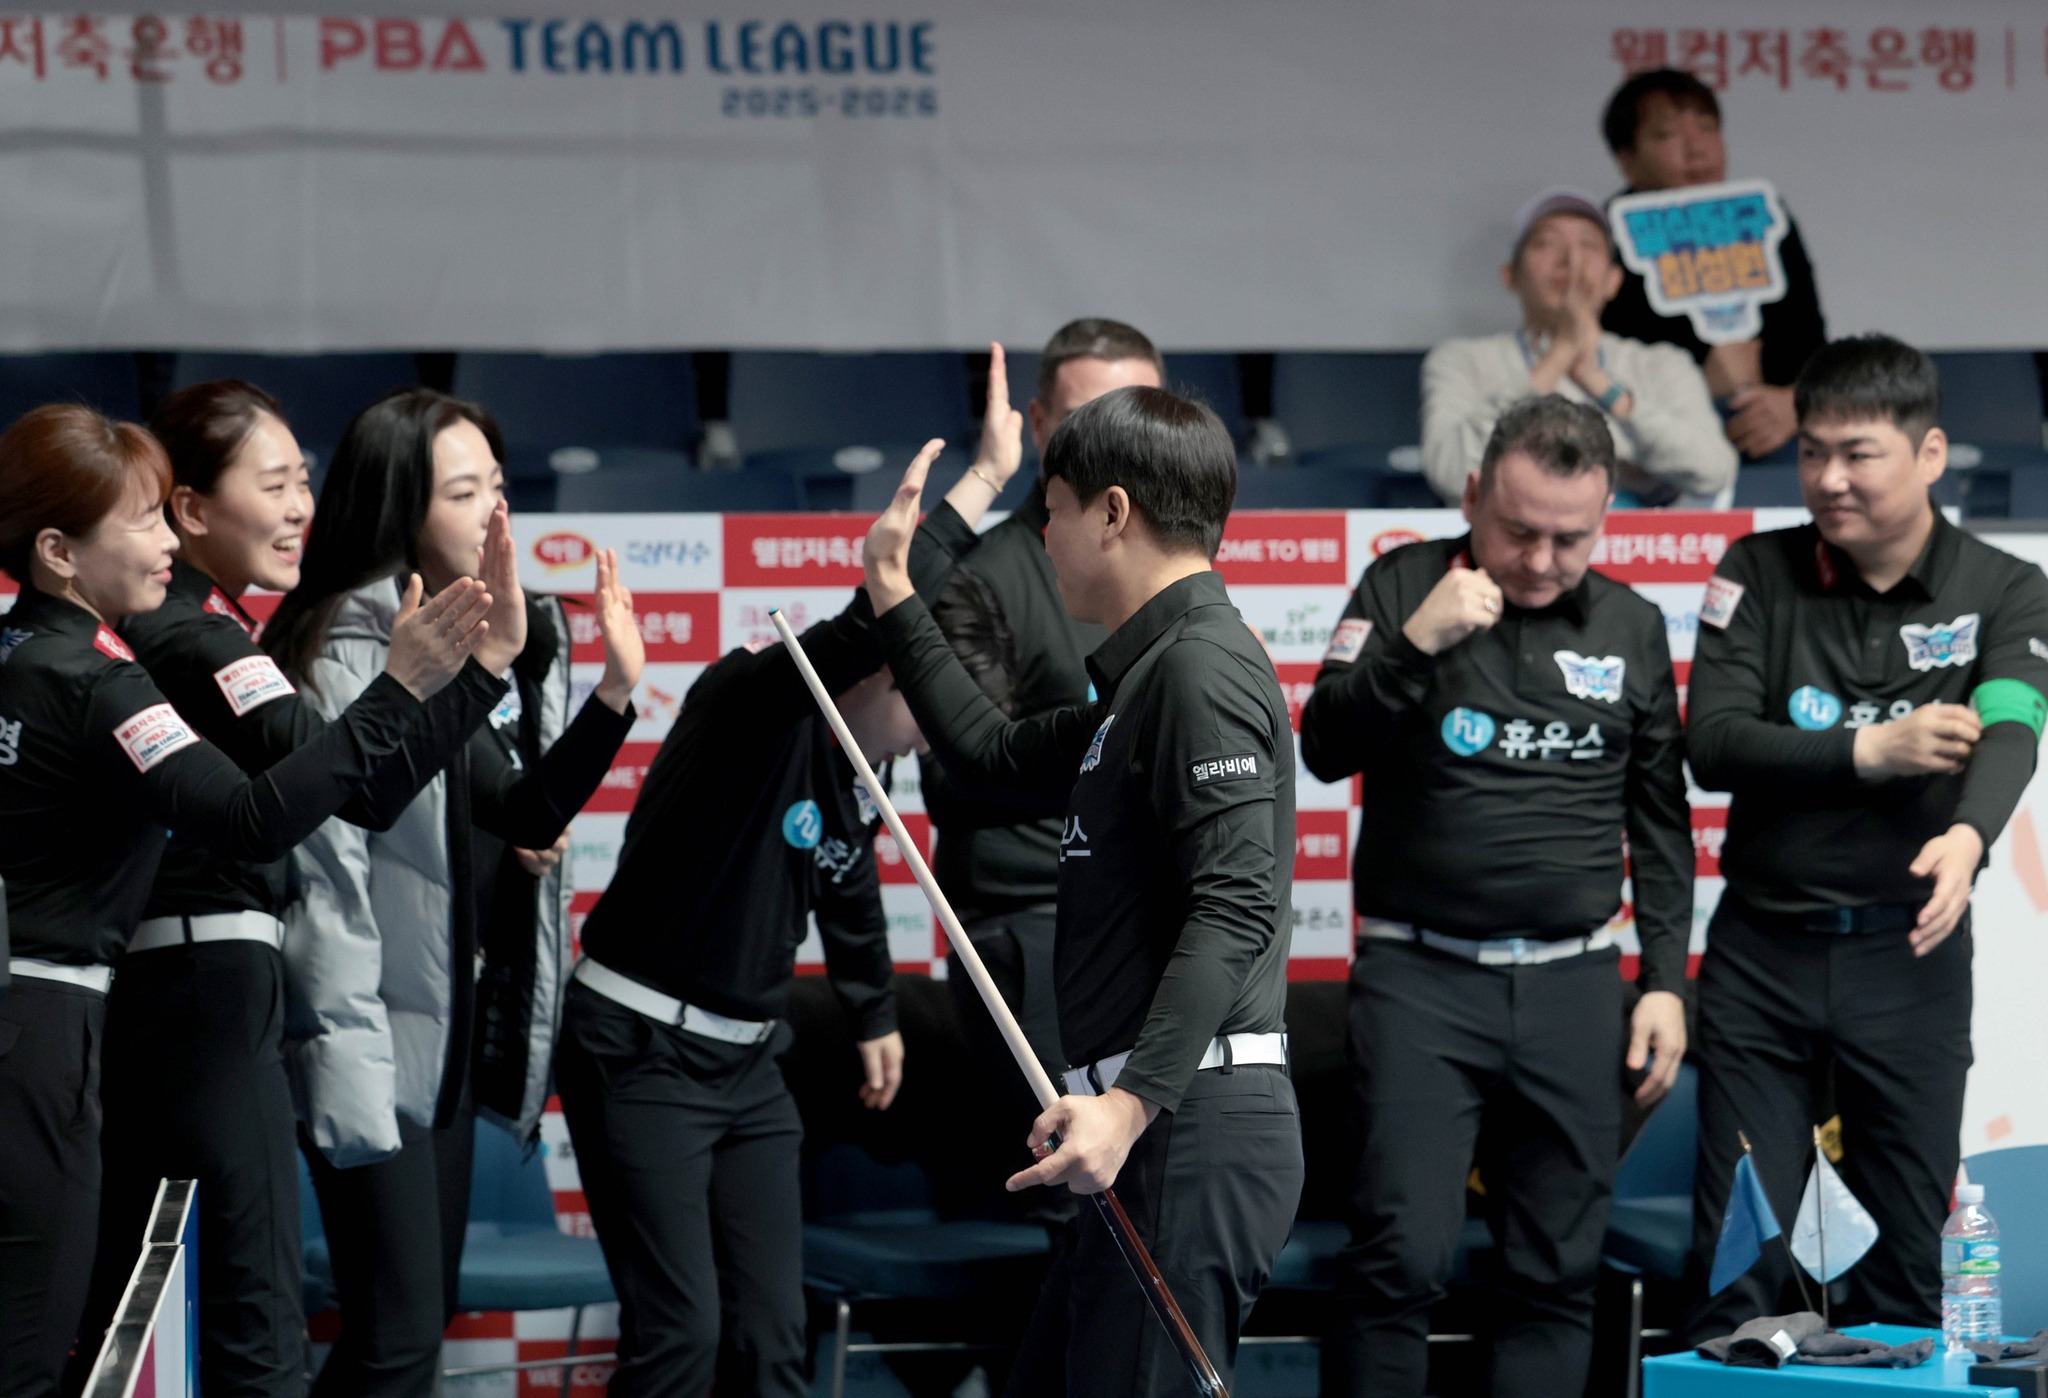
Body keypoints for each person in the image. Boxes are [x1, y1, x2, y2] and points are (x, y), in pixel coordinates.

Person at [0, 404, 490, 1398]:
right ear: (56, 551)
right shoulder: (98, 678)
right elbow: (256, 817)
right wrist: (399, 688)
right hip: (68, 1024)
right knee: (79, 1351)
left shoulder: (33, 656)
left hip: (62, 1017)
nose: (165, 540)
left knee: (77, 1338)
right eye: (143, 518)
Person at [866, 386, 1302, 1397]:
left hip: (1180, 1126)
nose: (1043, 535)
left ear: (1112, 512)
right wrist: (891, 586)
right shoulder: (1147, 678)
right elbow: (986, 757)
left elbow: (1235, 906)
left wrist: (1132, 1103)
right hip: (1145, 1129)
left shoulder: (1198, 670)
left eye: (1051, 509)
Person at [556, 438, 1015, 1397]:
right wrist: (980, 485)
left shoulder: (863, 765)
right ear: (882, 669)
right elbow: (860, 622)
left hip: (748, 1065)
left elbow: (845, 882)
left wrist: (874, 1011)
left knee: (773, 1339)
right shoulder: (752, 702)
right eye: (931, 708)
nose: (937, 738)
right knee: (680, 1339)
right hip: (640, 1050)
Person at [1302, 395, 1693, 1398]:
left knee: (1556, 1274)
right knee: (1399, 1259)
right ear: (1473, 494)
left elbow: (1658, 822)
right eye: (1518, 531)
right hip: (1419, 980)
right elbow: (1324, 745)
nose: (1541, 560)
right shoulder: (1401, 585)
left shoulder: (1631, 625)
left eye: (1571, 538)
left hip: (1574, 986)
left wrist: (1662, 981)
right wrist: (1414, 643)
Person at [263, 388, 642, 1398]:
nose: (494, 515)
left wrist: (614, 694)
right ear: (400, 505)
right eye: (465, 492)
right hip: (368, 1033)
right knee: (393, 1338)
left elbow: (518, 808)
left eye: (499, 488)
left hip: (439, 1040)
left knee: (411, 1332)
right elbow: (359, 823)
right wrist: (492, 663)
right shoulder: (354, 643)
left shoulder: (452, 638)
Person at [1683, 334, 2048, 1338]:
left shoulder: (2004, 588)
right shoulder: (1754, 570)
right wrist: (1869, 749)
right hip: (1762, 957)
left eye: (1857, 454)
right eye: (1811, 452)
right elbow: (1711, 742)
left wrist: (1970, 836)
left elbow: (2014, 725)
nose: (1828, 478)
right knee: (1740, 1256)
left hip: (1909, 958)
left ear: (1928, 453)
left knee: (1907, 1262)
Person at [925, 320, 1164, 1212]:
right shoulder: (986, 574)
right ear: (1038, 424)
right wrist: (1136, 740)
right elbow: (963, 777)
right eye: (1090, 417)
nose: (1116, 441)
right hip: (1036, 925)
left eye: (1139, 414)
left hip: (1145, 921)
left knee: (1146, 1200)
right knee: (1084, 1210)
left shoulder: (1170, 572)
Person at [1422, 188, 1735, 507]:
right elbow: (1452, 474)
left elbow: (1714, 473)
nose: (1571, 259)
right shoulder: (1461, 359)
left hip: (1633, 533)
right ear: (1511, 275)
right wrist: (1558, 356)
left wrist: (1603, 386)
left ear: (1614, 281)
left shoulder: (1662, 363)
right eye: (1546, 243)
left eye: (1588, 245)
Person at [1599, 68, 1829, 462]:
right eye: (1668, 135)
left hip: (1780, 446)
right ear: (1627, 160)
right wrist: (1696, 388)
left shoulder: (1763, 221)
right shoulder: (1603, 241)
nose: (1697, 149)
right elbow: (1600, 371)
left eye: (1707, 128)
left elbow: (1811, 346)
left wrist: (1795, 404)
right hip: (1652, 454)